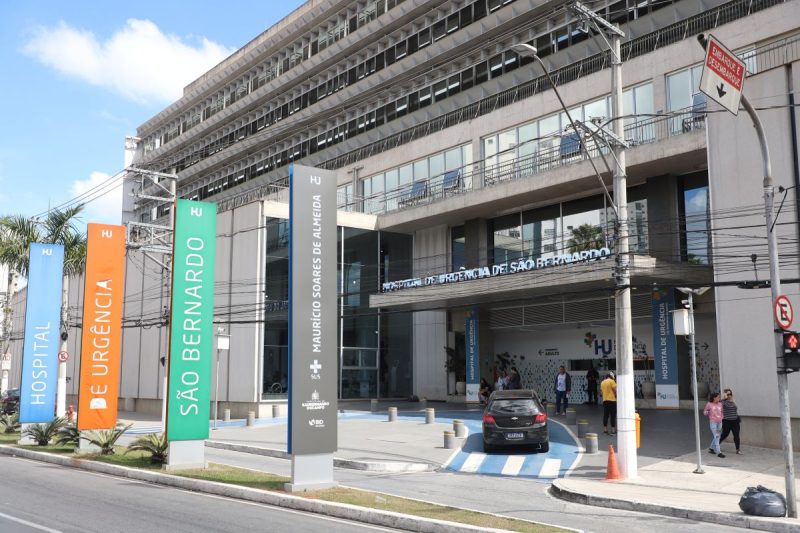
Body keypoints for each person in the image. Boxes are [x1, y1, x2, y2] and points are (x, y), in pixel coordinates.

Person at [703, 392, 725, 458]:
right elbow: (705, 412)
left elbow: (722, 412)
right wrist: (707, 412)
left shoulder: (720, 404)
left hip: (719, 423)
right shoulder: (709, 404)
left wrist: (722, 417)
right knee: (717, 436)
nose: (719, 398)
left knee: (717, 436)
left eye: (719, 397)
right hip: (713, 423)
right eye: (718, 397)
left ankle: (711, 448)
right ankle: (719, 452)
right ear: (714, 398)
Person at [720, 388, 742, 455]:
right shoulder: (723, 402)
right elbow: (719, 405)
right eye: (728, 394)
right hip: (727, 421)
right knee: (725, 434)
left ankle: (738, 450)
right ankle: (715, 445)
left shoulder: (733, 401)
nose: (729, 395)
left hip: (735, 421)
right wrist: (724, 398)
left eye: (730, 394)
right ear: (725, 395)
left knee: (736, 435)